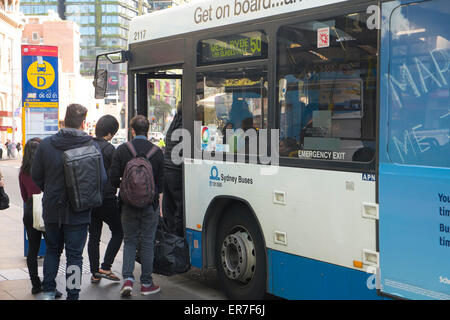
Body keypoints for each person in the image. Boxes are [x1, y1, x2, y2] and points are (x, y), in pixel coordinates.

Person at [31, 104, 107, 300]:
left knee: (52, 250)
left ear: (64, 121)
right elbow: (102, 179)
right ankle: (72, 294)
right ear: (83, 123)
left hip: (52, 209)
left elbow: (36, 176)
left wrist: (50, 190)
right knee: (74, 256)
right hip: (79, 212)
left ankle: (48, 290)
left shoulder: (46, 145)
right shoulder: (91, 146)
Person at [110, 115, 164, 297]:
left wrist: (126, 189)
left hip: (127, 205)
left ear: (132, 130)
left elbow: (112, 178)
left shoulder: (122, 150)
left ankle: (127, 280)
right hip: (150, 205)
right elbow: (161, 184)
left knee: (130, 241)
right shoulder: (157, 152)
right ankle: (147, 283)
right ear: (147, 130)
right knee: (148, 242)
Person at [88, 115, 123, 284]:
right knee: (118, 231)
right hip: (107, 198)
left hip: (88, 199)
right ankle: (106, 266)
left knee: (93, 236)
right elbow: (116, 175)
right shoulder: (110, 150)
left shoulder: (87, 146)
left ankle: (95, 272)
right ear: (110, 133)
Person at [162, 101, 184, 237]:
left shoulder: (174, 122)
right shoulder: (185, 124)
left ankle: (169, 237)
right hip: (177, 171)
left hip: (168, 170)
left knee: (169, 208)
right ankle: (176, 239)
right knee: (180, 208)